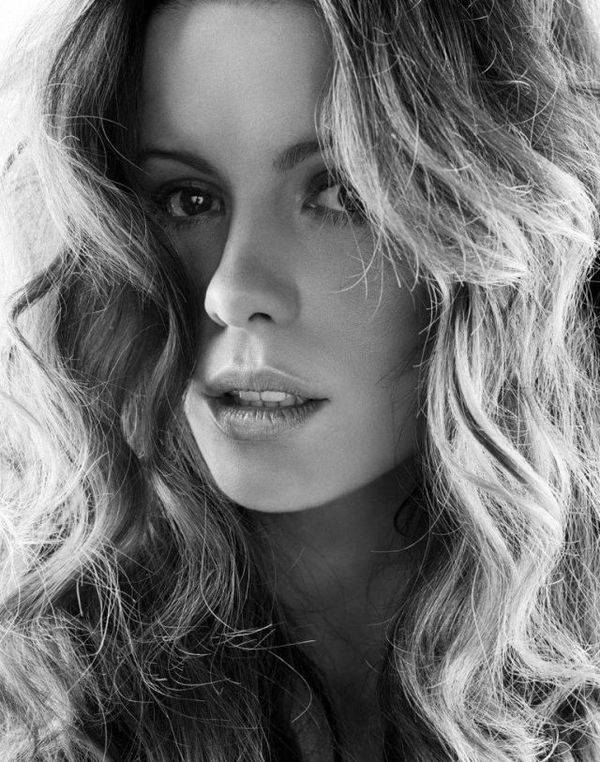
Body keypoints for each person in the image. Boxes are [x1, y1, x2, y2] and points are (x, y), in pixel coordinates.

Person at [1, 0, 600, 759]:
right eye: (188, 200)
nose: (232, 291)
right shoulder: (41, 706)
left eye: (344, 193)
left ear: (503, 228)